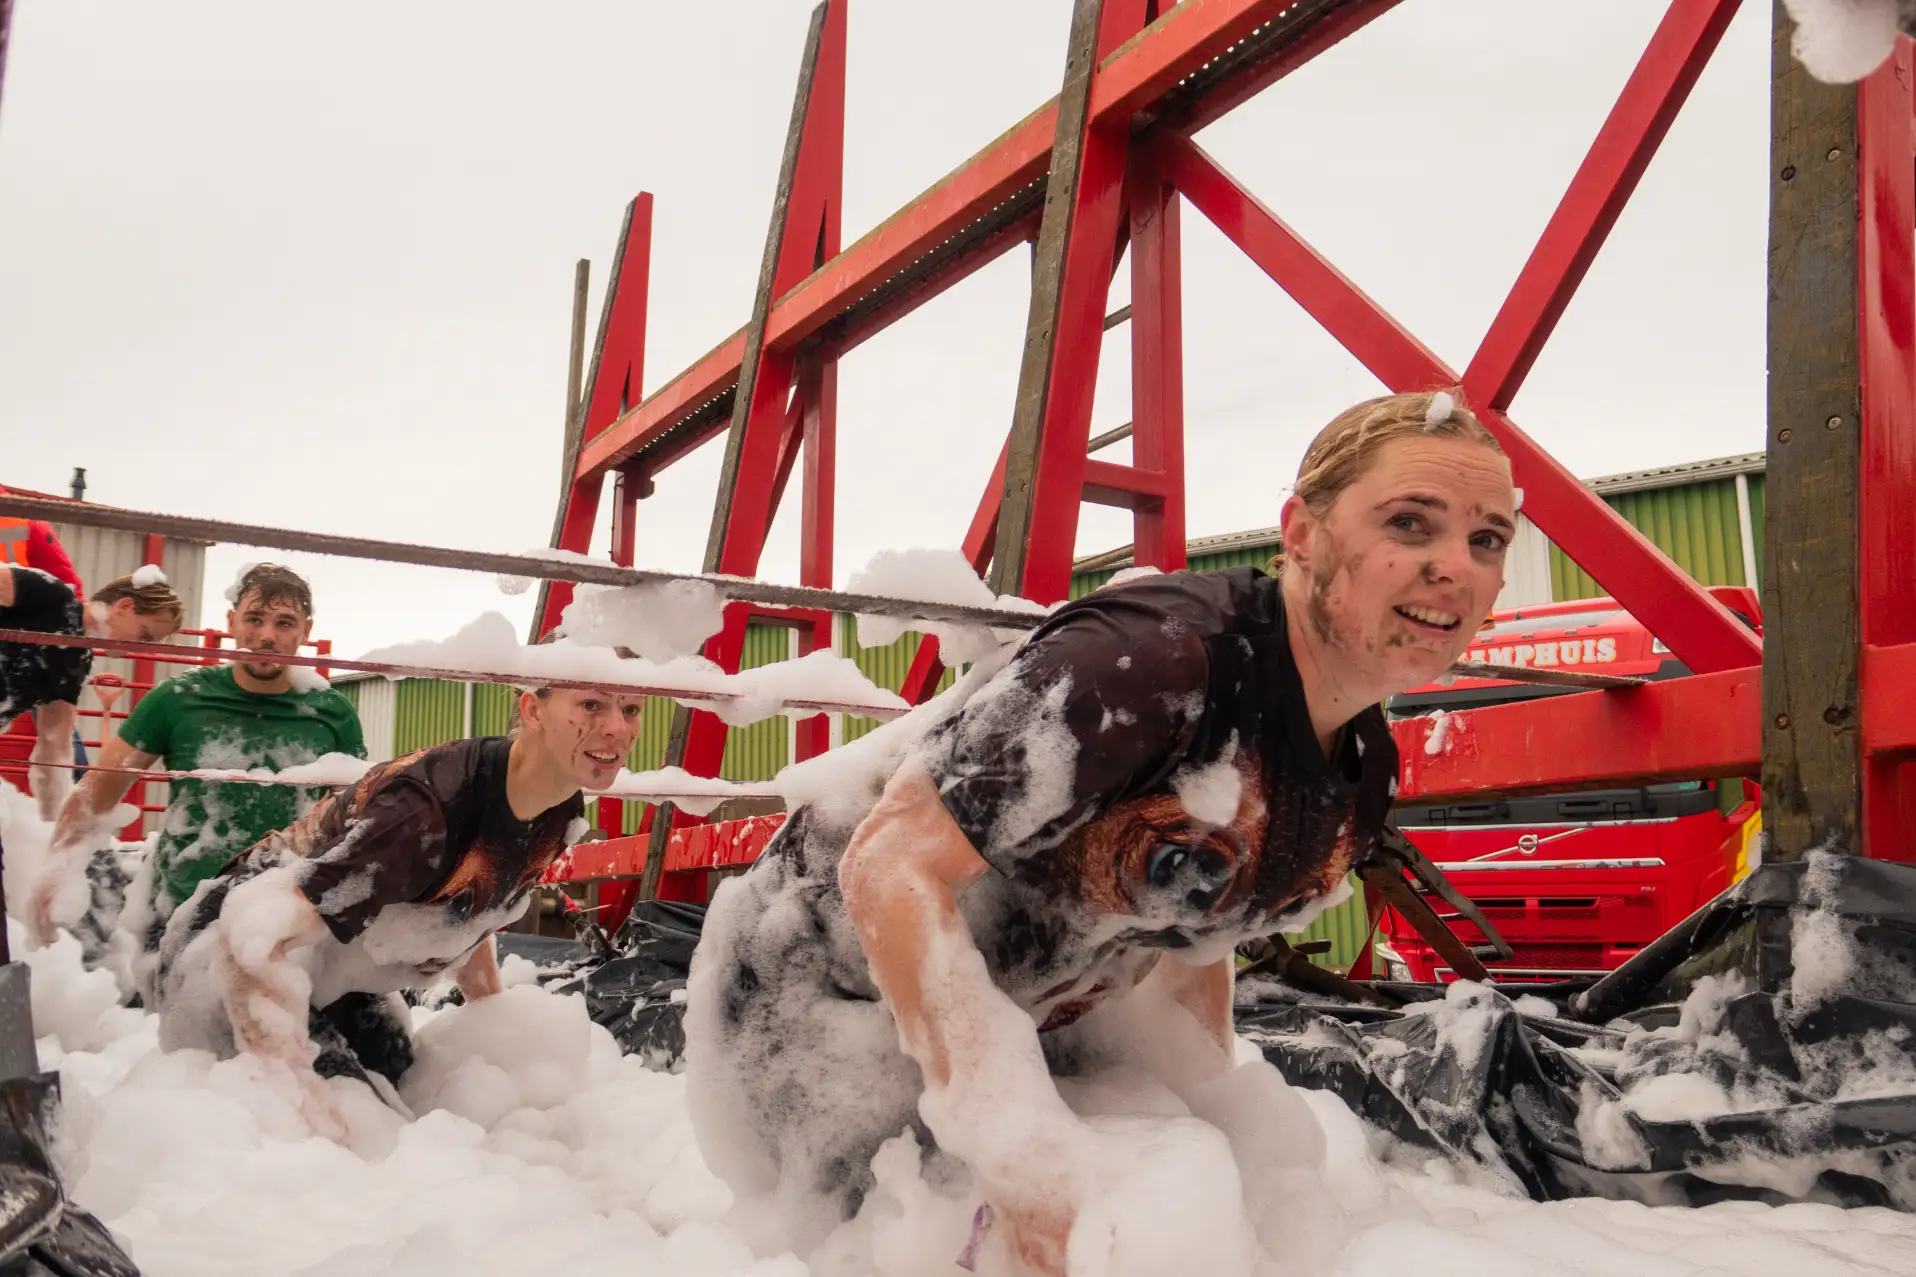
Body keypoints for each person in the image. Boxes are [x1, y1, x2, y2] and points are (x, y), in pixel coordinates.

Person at [682, 389, 1517, 1269]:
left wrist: (1208, 1106)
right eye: (1409, 523)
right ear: (1302, 532)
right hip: (823, 998)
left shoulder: (1360, 775)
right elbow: (886, 861)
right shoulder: (1150, 665)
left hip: (1030, 1005)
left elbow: (1196, 931)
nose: (1454, 567)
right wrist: (1016, 1148)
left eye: (1487, 538)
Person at [150, 685, 642, 1139]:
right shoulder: (422, 813)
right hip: (224, 953)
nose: (617, 729)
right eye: (592, 705)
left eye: (632, 709)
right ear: (532, 709)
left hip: (327, 963)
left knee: (404, 1084)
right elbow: (255, 935)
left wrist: (496, 1024)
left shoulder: (557, 810)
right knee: (341, 1133)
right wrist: (285, 1082)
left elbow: (473, 906)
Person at [31, 563, 363, 945]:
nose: (266, 636)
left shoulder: (333, 712)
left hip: (280, 922)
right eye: (254, 619)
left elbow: (354, 819)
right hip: (178, 915)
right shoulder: (177, 700)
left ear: (306, 631)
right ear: (231, 622)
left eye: (285, 623)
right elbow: (95, 794)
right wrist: (53, 874)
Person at [1, 564, 185, 820]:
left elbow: (54, 746)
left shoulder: (76, 662)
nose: (142, 647)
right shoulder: (50, 595)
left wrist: (54, 826)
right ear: (124, 606)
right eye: (144, 634)